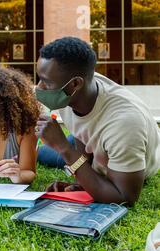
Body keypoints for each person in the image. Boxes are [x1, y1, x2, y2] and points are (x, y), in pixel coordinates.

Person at [35, 37, 160, 206]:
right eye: (40, 78)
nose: (39, 87)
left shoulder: (125, 123)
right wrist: (81, 183)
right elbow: (81, 138)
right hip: (94, 145)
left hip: (124, 147)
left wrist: (64, 148)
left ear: (75, 85)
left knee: (50, 154)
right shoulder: (73, 92)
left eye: (47, 82)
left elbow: (124, 197)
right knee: (42, 153)